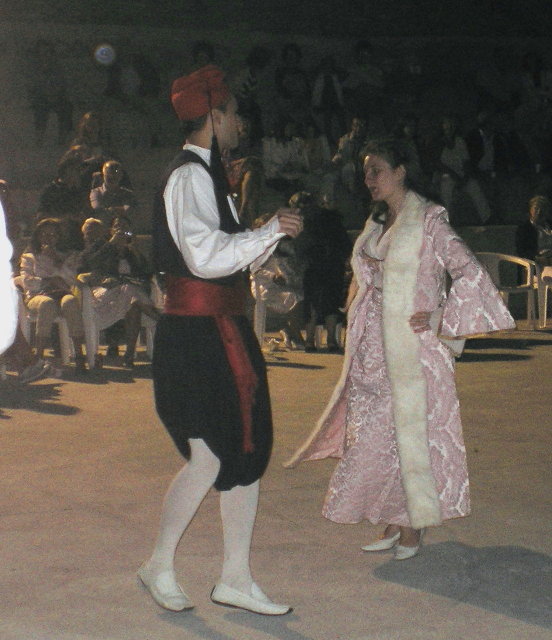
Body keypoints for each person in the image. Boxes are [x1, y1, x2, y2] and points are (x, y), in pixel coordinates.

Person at [286, 136, 515, 560]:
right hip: (371, 348)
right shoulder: (378, 221)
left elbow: (471, 271)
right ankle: (394, 517)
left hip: (413, 348)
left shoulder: (428, 220)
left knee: (412, 434)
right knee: (377, 436)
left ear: (401, 171)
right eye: (365, 172)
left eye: (376, 170)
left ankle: (413, 521)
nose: (368, 179)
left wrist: (441, 317)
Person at [140, 65, 302, 615]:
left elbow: (224, 256)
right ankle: (164, 565)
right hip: (201, 333)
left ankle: (232, 576)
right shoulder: (190, 176)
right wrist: (268, 230)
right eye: (232, 112)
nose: (238, 122)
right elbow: (206, 257)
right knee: (215, 454)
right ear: (212, 115)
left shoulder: (208, 176)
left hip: (215, 329)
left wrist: (267, 235)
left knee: (233, 451)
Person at [79, 215, 159, 368]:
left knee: (132, 301)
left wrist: (135, 251)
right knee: (131, 294)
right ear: (110, 230)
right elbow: (89, 264)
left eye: (125, 227)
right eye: (117, 226)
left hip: (129, 295)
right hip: (106, 292)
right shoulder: (101, 246)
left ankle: (129, 354)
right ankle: (160, 319)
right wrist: (111, 244)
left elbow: (147, 274)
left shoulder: (132, 251)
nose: (121, 230)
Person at [19, 218, 86, 371]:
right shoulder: (29, 257)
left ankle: (79, 355)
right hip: (38, 295)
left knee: (70, 302)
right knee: (47, 304)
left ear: (59, 237)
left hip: (61, 293)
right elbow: (27, 281)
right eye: (44, 234)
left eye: (52, 235)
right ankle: (39, 356)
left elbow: (71, 279)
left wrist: (56, 260)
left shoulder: (68, 256)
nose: (48, 238)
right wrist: (48, 281)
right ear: (38, 236)